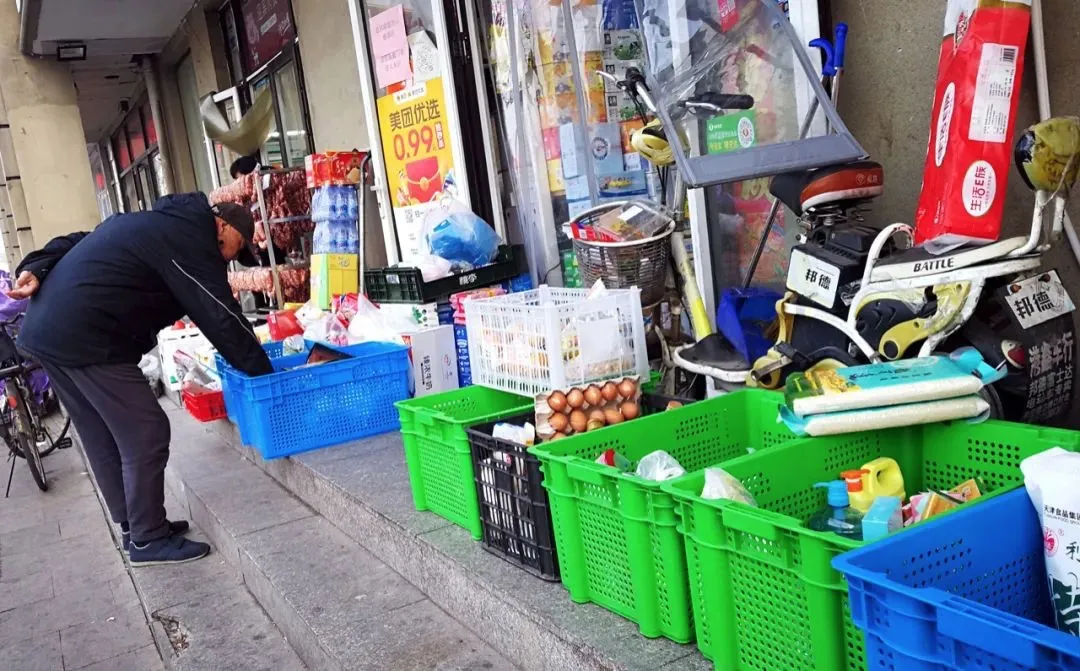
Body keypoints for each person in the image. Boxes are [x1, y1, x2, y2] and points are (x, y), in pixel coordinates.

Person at [8, 192, 273, 565]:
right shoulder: (191, 238)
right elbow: (220, 314)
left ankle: (135, 528)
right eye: (238, 246)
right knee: (146, 430)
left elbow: (82, 240)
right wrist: (265, 376)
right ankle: (148, 538)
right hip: (87, 335)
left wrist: (37, 265)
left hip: (51, 333)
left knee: (102, 434)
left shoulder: (160, 224)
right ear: (223, 225)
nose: (232, 258)